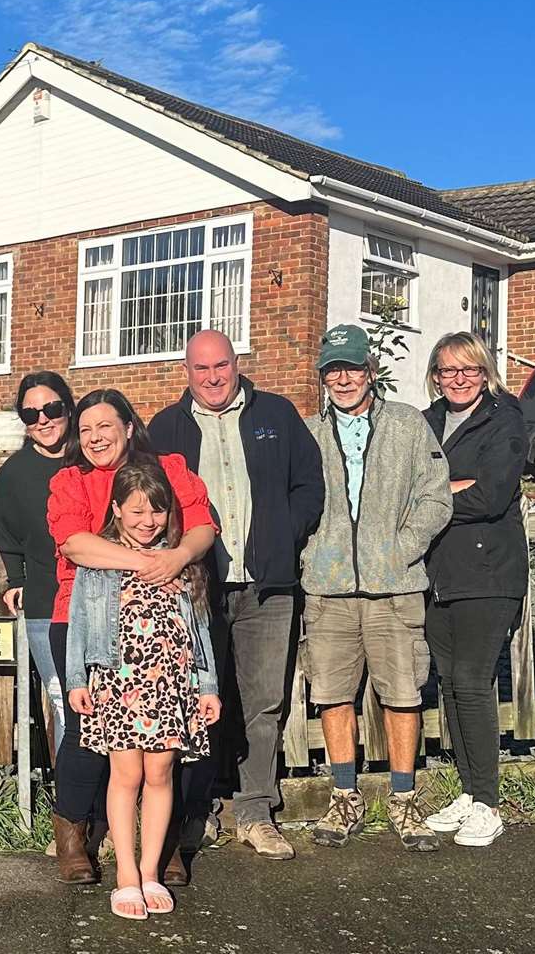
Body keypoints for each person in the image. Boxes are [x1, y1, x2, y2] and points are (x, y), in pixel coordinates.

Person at [149, 330, 324, 861]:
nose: (213, 377)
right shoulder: (166, 427)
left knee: (264, 703)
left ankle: (255, 811)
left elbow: (309, 485)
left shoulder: (277, 414)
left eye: (221, 365)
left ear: (236, 363)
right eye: (201, 369)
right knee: (198, 704)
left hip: (267, 585)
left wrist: (281, 535)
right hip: (196, 588)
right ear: (186, 371)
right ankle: (199, 812)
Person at [45, 388, 217, 884]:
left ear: (127, 426)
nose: (96, 437)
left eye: (105, 426)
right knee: (85, 735)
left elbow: (203, 526)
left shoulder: (167, 468)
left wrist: (178, 557)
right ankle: (75, 836)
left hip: (165, 627)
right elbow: (75, 544)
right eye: (86, 430)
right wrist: (149, 563)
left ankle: (161, 849)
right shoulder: (71, 481)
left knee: (170, 745)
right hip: (88, 621)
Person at [302, 324, 452, 851]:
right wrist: (311, 552)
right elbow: (291, 504)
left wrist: (400, 548)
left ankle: (404, 801)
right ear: (323, 376)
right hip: (329, 588)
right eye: (332, 369)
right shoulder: (310, 432)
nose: (342, 378)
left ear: (371, 370)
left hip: (395, 587)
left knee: (402, 694)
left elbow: (436, 497)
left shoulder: (409, 426)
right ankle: (345, 797)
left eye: (352, 367)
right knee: (333, 695)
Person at [66, 462, 221, 920]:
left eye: (156, 511)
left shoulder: (180, 559)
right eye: (135, 511)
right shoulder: (101, 561)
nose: (147, 521)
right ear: (115, 509)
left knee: (160, 775)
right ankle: (126, 875)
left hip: (172, 686)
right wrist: (77, 679)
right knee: (126, 776)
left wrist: (207, 687)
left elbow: (200, 626)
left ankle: (151, 871)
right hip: (118, 683)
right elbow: (79, 622)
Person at [419, 333, 528, 848]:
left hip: (488, 575)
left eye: (469, 369)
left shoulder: (504, 418)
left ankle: (487, 801)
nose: (458, 379)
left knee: (471, 681)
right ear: (435, 375)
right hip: (438, 575)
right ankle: (467, 790)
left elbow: (491, 494)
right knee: (449, 683)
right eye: (447, 370)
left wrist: (434, 497)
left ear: (485, 373)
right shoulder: (427, 421)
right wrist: (452, 486)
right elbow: (405, 488)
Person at [0, 371, 75, 757]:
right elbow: (7, 535)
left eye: (51, 408)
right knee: (65, 704)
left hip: (104, 602)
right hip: (46, 604)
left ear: (68, 408)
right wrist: (15, 580)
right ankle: (75, 811)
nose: (42, 419)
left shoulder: (91, 458)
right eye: (30, 415)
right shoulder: (13, 474)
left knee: (108, 705)